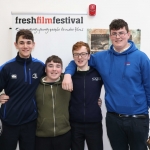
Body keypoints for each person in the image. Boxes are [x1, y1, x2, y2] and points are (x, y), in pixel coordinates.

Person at [62, 19, 150, 150]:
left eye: (121, 33)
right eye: (114, 33)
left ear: (128, 34)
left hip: (137, 118)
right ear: (110, 36)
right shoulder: (101, 57)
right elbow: (79, 59)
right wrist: (68, 75)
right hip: (113, 119)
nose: (118, 37)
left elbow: (148, 86)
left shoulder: (141, 57)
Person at [0, 29, 45, 150]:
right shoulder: (6, 67)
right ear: (16, 45)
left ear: (33, 45)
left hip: (30, 121)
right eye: (22, 42)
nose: (25, 46)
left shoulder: (40, 66)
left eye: (28, 42)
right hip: (9, 121)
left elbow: (55, 80)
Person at [69, 41, 103, 150]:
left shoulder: (98, 73)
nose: (80, 57)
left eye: (83, 54)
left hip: (94, 123)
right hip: (74, 124)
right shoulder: (69, 76)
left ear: (88, 56)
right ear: (73, 56)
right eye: (76, 54)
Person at [35, 55, 71, 150]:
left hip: (64, 134)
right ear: (45, 69)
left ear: (61, 69)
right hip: (41, 136)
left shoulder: (68, 83)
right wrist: (3, 95)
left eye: (58, 66)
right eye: (50, 66)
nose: (54, 69)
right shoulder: (36, 86)